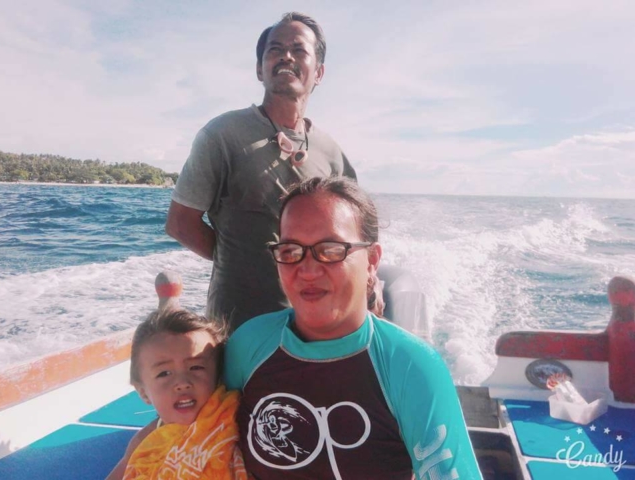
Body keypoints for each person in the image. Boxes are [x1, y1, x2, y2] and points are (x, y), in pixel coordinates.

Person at [224, 177, 483, 479]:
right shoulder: (248, 345)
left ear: (372, 260)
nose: (307, 270)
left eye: (331, 249)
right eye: (291, 250)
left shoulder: (410, 366)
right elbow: (199, 441)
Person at [166, 12, 356, 332]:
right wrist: (241, 261)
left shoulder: (333, 154)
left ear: (319, 72)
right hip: (238, 326)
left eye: (299, 50)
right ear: (259, 69)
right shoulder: (222, 135)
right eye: (274, 49)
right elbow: (181, 223)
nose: (286, 56)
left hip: (316, 325)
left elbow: (354, 235)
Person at [106, 309, 247, 480]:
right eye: (164, 373)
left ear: (218, 378)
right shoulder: (146, 441)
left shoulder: (237, 424)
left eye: (196, 367)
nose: (182, 383)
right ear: (143, 392)